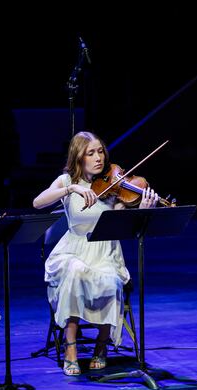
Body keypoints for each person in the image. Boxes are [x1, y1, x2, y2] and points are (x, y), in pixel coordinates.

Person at [33, 131, 158, 376]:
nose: (98, 158)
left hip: (105, 251)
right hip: (73, 250)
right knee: (74, 271)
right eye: (91, 153)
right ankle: (70, 348)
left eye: (100, 151)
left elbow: (126, 224)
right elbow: (38, 202)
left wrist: (142, 210)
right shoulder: (67, 181)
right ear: (78, 157)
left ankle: (101, 347)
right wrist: (71, 191)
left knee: (111, 281)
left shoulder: (114, 186)